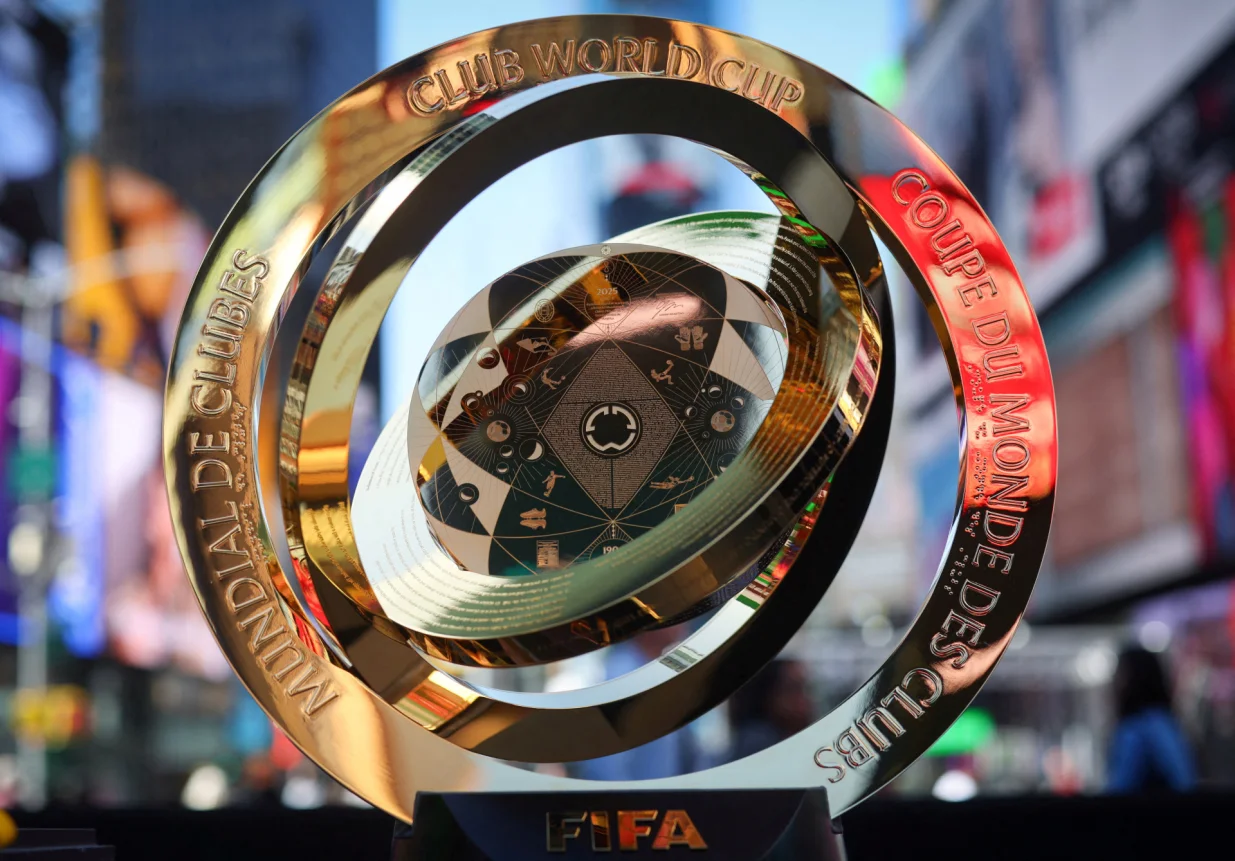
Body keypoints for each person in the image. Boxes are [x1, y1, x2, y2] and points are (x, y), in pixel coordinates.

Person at [1106, 646, 1197, 793]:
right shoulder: (1163, 723)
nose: (1115, 682)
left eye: (1120, 674)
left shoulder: (1139, 729)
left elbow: (1120, 787)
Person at [724, 659, 813, 763]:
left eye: (806, 689)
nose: (805, 699)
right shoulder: (758, 742)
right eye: (794, 689)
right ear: (767, 695)